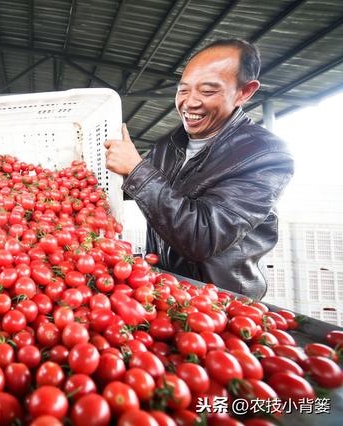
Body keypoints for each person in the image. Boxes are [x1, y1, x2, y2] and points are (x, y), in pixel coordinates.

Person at [104, 39, 294, 300]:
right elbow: (142, 192)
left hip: (221, 304)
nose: (189, 103)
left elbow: (202, 236)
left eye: (207, 92)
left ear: (244, 92)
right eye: (183, 90)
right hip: (166, 294)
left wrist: (136, 169)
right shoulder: (169, 145)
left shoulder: (265, 155)